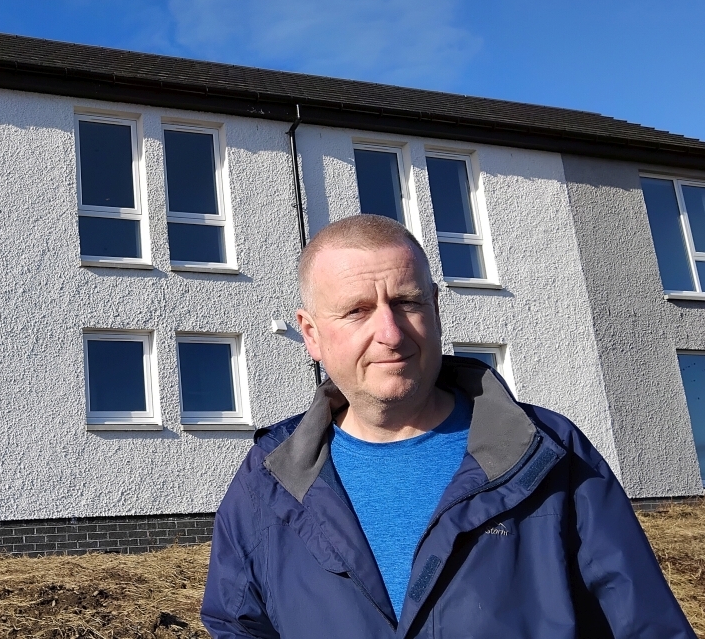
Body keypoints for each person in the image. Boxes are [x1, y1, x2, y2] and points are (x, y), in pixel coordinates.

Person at [201, 214, 692, 638]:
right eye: (357, 311)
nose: (390, 334)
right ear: (311, 333)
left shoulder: (548, 454)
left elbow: (643, 624)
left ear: (436, 308)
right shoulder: (267, 480)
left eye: (408, 303)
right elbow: (237, 624)